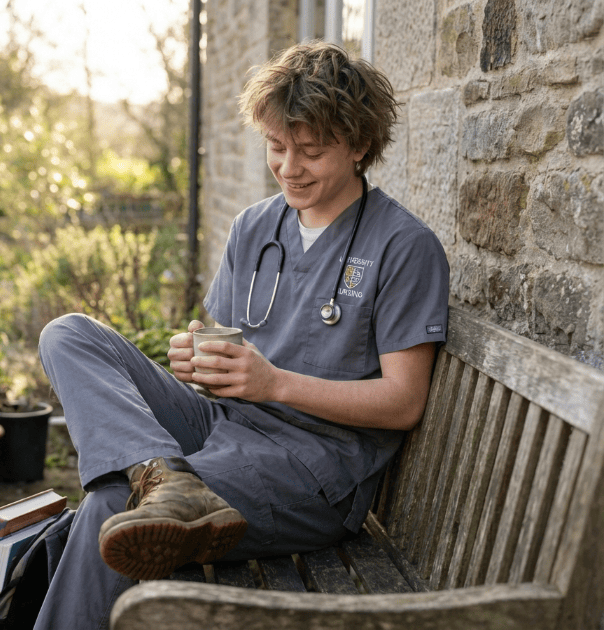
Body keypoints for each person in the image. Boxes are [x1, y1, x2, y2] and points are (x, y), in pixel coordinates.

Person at [34, 41, 449, 629]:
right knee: (70, 333)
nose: (287, 167)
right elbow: (226, 348)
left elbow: (404, 403)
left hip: (313, 471)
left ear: (359, 146)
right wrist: (198, 359)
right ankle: (168, 477)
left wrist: (274, 383)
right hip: (224, 427)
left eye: (310, 151)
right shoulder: (255, 226)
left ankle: (163, 487)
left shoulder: (403, 247)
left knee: (112, 503)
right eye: (277, 147)